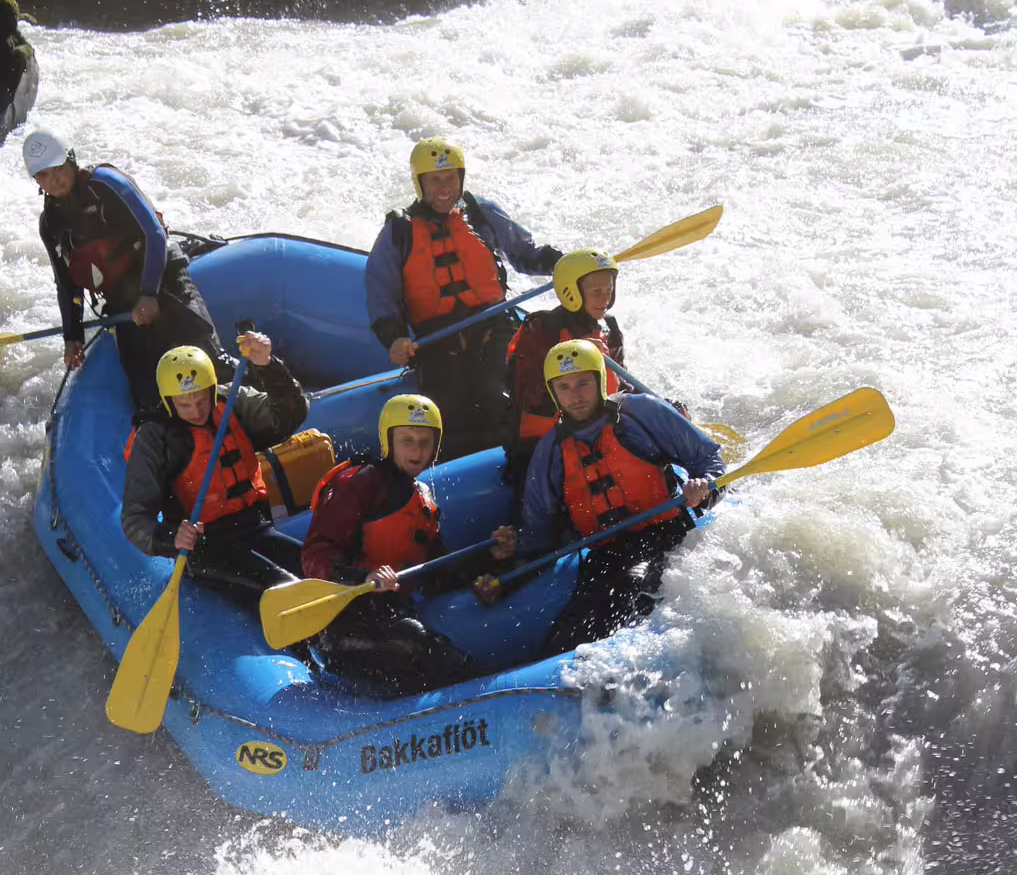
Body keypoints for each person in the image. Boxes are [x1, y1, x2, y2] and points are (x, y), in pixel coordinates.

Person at [482, 339, 723, 659]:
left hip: (664, 537)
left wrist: (703, 489)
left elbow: (709, 459)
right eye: (564, 386)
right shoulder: (551, 450)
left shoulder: (641, 413)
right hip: (605, 554)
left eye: (583, 382)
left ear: (599, 380)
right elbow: (538, 529)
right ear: (554, 392)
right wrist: (512, 548)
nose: (576, 395)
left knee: (629, 590)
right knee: (568, 635)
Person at [364, 136, 563, 459]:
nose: (444, 187)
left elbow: (526, 253)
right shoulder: (399, 231)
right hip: (437, 338)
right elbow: (380, 292)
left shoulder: (481, 213)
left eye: (451, 178)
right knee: (450, 410)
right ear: (420, 183)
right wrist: (394, 338)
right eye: (435, 179)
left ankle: (522, 459)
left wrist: (562, 264)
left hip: (494, 324)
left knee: (496, 392)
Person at [300, 394, 515, 689]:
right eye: (407, 440)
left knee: (414, 640)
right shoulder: (358, 484)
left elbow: (436, 569)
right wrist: (363, 577)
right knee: (418, 644)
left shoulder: (422, 494)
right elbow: (315, 553)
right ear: (389, 441)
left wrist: (490, 557)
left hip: (391, 611)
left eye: (425, 441)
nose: (417, 450)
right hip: (346, 623)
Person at [25, 129, 237, 408]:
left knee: (211, 364)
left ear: (71, 160)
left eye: (58, 169)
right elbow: (66, 284)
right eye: (44, 175)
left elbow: (155, 234)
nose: (54, 180)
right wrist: (72, 336)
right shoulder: (50, 223)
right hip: (123, 303)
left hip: (164, 281)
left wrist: (149, 292)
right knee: (147, 392)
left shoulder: (106, 184)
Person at [122, 335, 308, 598]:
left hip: (255, 528)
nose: (196, 411)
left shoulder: (232, 401)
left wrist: (267, 365)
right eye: (184, 405)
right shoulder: (154, 437)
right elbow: (135, 519)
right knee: (282, 588)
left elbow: (292, 412)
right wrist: (171, 537)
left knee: (316, 570)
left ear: (212, 389)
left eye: (201, 401)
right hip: (204, 547)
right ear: (168, 401)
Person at [502, 248, 626, 502]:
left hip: (600, 436)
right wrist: (575, 358)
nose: (605, 299)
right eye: (596, 292)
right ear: (572, 292)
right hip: (544, 446)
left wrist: (662, 409)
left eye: (609, 290)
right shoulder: (541, 330)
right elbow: (529, 397)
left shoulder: (609, 329)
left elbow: (623, 390)